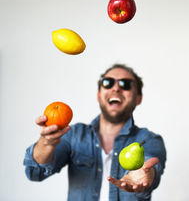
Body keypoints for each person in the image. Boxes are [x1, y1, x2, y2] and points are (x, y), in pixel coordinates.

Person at [23, 63, 166, 201]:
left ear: (138, 98)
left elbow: (151, 166)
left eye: (125, 84)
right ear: (98, 94)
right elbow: (35, 173)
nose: (116, 88)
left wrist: (147, 175)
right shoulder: (74, 134)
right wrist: (46, 143)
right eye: (108, 82)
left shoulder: (150, 139)